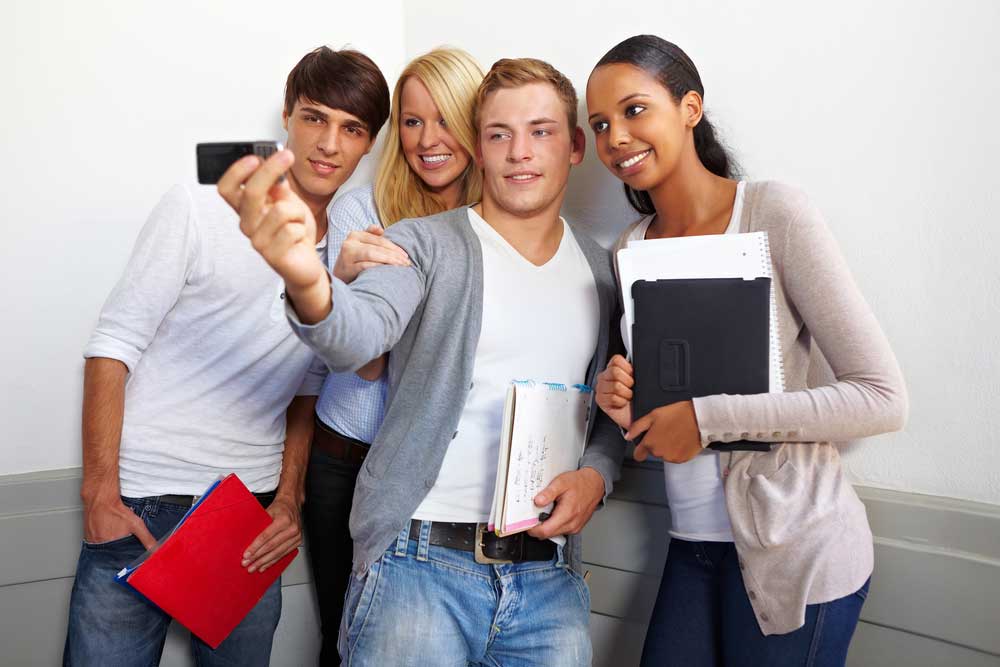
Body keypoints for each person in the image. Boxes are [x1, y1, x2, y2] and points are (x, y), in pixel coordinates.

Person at [219, 57, 627, 667]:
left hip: (548, 582)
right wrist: (308, 279)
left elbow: (609, 414)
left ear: (572, 146)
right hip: (417, 569)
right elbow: (360, 336)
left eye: (540, 131)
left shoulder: (603, 270)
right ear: (479, 149)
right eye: (499, 134)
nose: (519, 152)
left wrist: (597, 474)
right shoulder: (422, 242)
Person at [586, 34, 908, 666]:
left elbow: (881, 398)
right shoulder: (630, 247)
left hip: (797, 551)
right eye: (599, 124)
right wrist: (622, 405)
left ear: (690, 107)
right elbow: (663, 416)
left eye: (633, 110)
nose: (615, 137)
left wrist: (706, 420)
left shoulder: (773, 213)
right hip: (691, 544)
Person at [62, 46, 389, 666]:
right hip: (142, 497)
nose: (329, 143)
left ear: (368, 144)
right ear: (288, 118)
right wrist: (100, 495)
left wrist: (287, 499)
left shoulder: (349, 252)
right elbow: (113, 345)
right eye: (315, 118)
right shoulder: (201, 204)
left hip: (248, 509)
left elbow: (308, 390)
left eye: (352, 129)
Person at [301, 47, 483, 666]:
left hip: (434, 463)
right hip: (346, 456)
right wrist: (349, 293)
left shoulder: (492, 223)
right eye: (410, 121)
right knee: (349, 636)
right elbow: (368, 365)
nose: (427, 140)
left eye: (445, 118)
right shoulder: (363, 212)